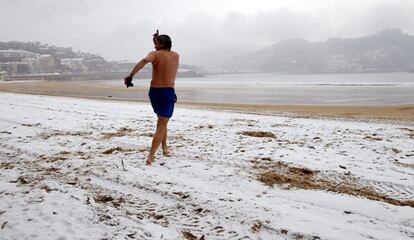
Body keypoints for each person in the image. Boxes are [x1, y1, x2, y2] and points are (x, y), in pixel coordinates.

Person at [124, 30, 179, 165]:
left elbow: (145, 60)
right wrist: (158, 40)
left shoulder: (154, 54)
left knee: (162, 121)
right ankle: (151, 156)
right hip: (167, 92)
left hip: (154, 92)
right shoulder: (176, 56)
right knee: (161, 124)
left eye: (156, 43)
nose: (154, 46)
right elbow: (161, 50)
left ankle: (164, 147)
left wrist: (130, 75)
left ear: (160, 44)